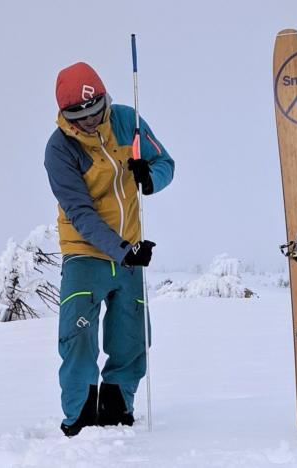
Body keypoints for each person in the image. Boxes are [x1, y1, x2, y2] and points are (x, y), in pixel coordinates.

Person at [44, 62, 174, 436]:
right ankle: (80, 417)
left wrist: (150, 179)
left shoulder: (125, 121)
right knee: (78, 336)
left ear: (104, 99)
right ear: (65, 116)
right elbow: (80, 213)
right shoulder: (59, 149)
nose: (88, 122)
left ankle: (119, 408)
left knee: (131, 335)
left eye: (94, 111)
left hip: (129, 250)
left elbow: (165, 163)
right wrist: (122, 250)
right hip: (86, 253)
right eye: (78, 116)